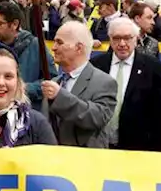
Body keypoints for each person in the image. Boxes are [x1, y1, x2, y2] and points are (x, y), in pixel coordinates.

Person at [90, 16, 161, 151]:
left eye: (127, 38)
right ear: (109, 39)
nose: (121, 43)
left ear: (136, 38)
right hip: (100, 146)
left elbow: (159, 116)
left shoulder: (154, 68)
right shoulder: (96, 65)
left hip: (137, 148)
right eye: (116, 38)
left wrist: (158, 152)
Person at [43, 20, 118, 148]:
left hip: (85, 162)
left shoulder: (105, 82)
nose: (53, 47)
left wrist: (60, 96)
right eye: (54, 41)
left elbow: (96, 118)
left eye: (59, 42)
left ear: (78, 48)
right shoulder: (56, 82)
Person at [0, 0, 53, 103]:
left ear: (14, 24)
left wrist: (24, 89)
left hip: (27, 109)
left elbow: (52, 80)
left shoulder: (35, 45)